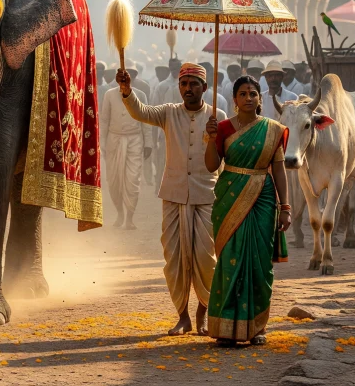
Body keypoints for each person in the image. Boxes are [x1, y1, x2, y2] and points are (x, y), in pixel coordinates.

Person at [117, 64, 225, 335]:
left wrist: (216, 136)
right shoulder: (168, 113)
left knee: (205, 258)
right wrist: (127, 90)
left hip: (206, 194)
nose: (188, 89)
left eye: (194, 84)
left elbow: (224, 157)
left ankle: (202, 313)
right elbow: (140, 112)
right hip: (173, 194)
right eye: (184, 84)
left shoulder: (218, 117)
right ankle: (183, 317)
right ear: (179, 87)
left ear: (205, 88)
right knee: (174, 259)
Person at [203, 76, 290, 345]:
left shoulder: (273, 129)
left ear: (260, 99)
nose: (249, 97)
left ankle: (257, 328)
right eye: (243, 93)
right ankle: (224, 329)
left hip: (263, 198)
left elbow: (279, 170)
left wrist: (284, 206)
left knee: (259, 262)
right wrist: (211, 138)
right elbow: (210, 166)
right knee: (229, 258)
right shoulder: (224, 128)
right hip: (229, 197)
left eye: (253, 93)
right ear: (235, 100)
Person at [100, 74, 150, 230]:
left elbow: (145, 119)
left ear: (132, 79)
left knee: (132, 180)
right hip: (113, 140)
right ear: (116, 79)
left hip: (134, 140)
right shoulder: (109, 95)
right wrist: (102, 143)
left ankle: (129, 218)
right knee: (114, 181)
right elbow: (104, 120)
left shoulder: (140, 95)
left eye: (126, 78)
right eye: (120, 79)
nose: (123, 81)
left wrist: (148, 143)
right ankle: (119, 213)